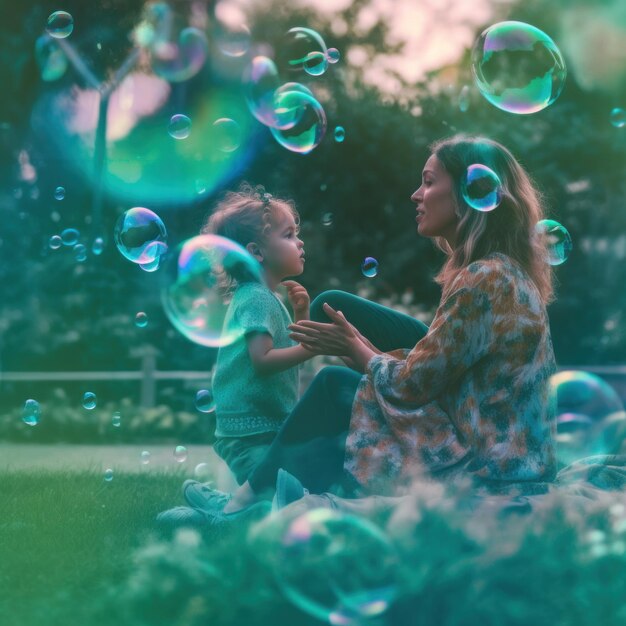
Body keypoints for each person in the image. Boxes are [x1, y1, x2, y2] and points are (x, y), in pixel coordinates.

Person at [176, 134, 559, 522]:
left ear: (470, 193)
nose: (415, 194)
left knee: (330, 384)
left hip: (485, 463)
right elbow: (437, 371)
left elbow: (413, 386)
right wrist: (360, 348)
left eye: (428, 181)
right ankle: (264, 488)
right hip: (501, 446)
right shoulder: (500, 271)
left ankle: (242, 505)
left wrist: (360, 352)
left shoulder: (483, 279)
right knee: (334, 306)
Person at [193, 184, 316, 489]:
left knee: (284, 495)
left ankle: (221, 504)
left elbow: (285, 350)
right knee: (268, 501)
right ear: (256, 252)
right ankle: (216, 509)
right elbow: (262, 360)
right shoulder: (256, 298)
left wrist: (303, 316)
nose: (300, 243)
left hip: (263, 430)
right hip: (250, 436)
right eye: (288, 235)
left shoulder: (265, 297)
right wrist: (311, 349)